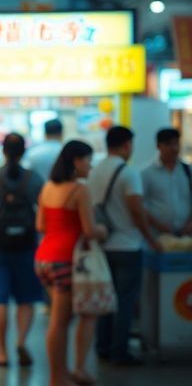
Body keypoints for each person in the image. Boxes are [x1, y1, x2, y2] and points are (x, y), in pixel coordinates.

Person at [88, 126, 161, 365]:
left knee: (105, 300)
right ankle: (120, 351)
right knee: (125, 301)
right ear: (127, 145)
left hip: (103, 243)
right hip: (128, 246)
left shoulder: (95, 170)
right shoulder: (130, 173)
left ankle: (103, 347)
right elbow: (137, 211)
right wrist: (151, 239)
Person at [36, 140, 107, 386]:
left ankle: (65, 373)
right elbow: (89, 230)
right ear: (76, 162)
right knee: (65, 319)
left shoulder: (47, 188)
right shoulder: (80, 190)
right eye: (88, 159)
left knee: (61, 318)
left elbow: (41, 225)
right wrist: (103, 230)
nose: (91, 165)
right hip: (67, 260)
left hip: (44, 258)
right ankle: (61, 377)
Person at [0, 133, 44, 368]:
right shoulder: (34, 179)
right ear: (23, 151)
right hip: (27, 243)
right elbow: (42, 215)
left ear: (3, 151)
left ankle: (2, 353)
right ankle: (21, 341)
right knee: (26, 298)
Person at [142, 128, 192, 236]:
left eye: (176, 143)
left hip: (186, 235)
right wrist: (157, 224)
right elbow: (141, 204)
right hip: (158, 235)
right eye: (169, 144)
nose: (174, 149)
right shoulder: (147, 173)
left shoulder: (187, 171)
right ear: (158, 146)